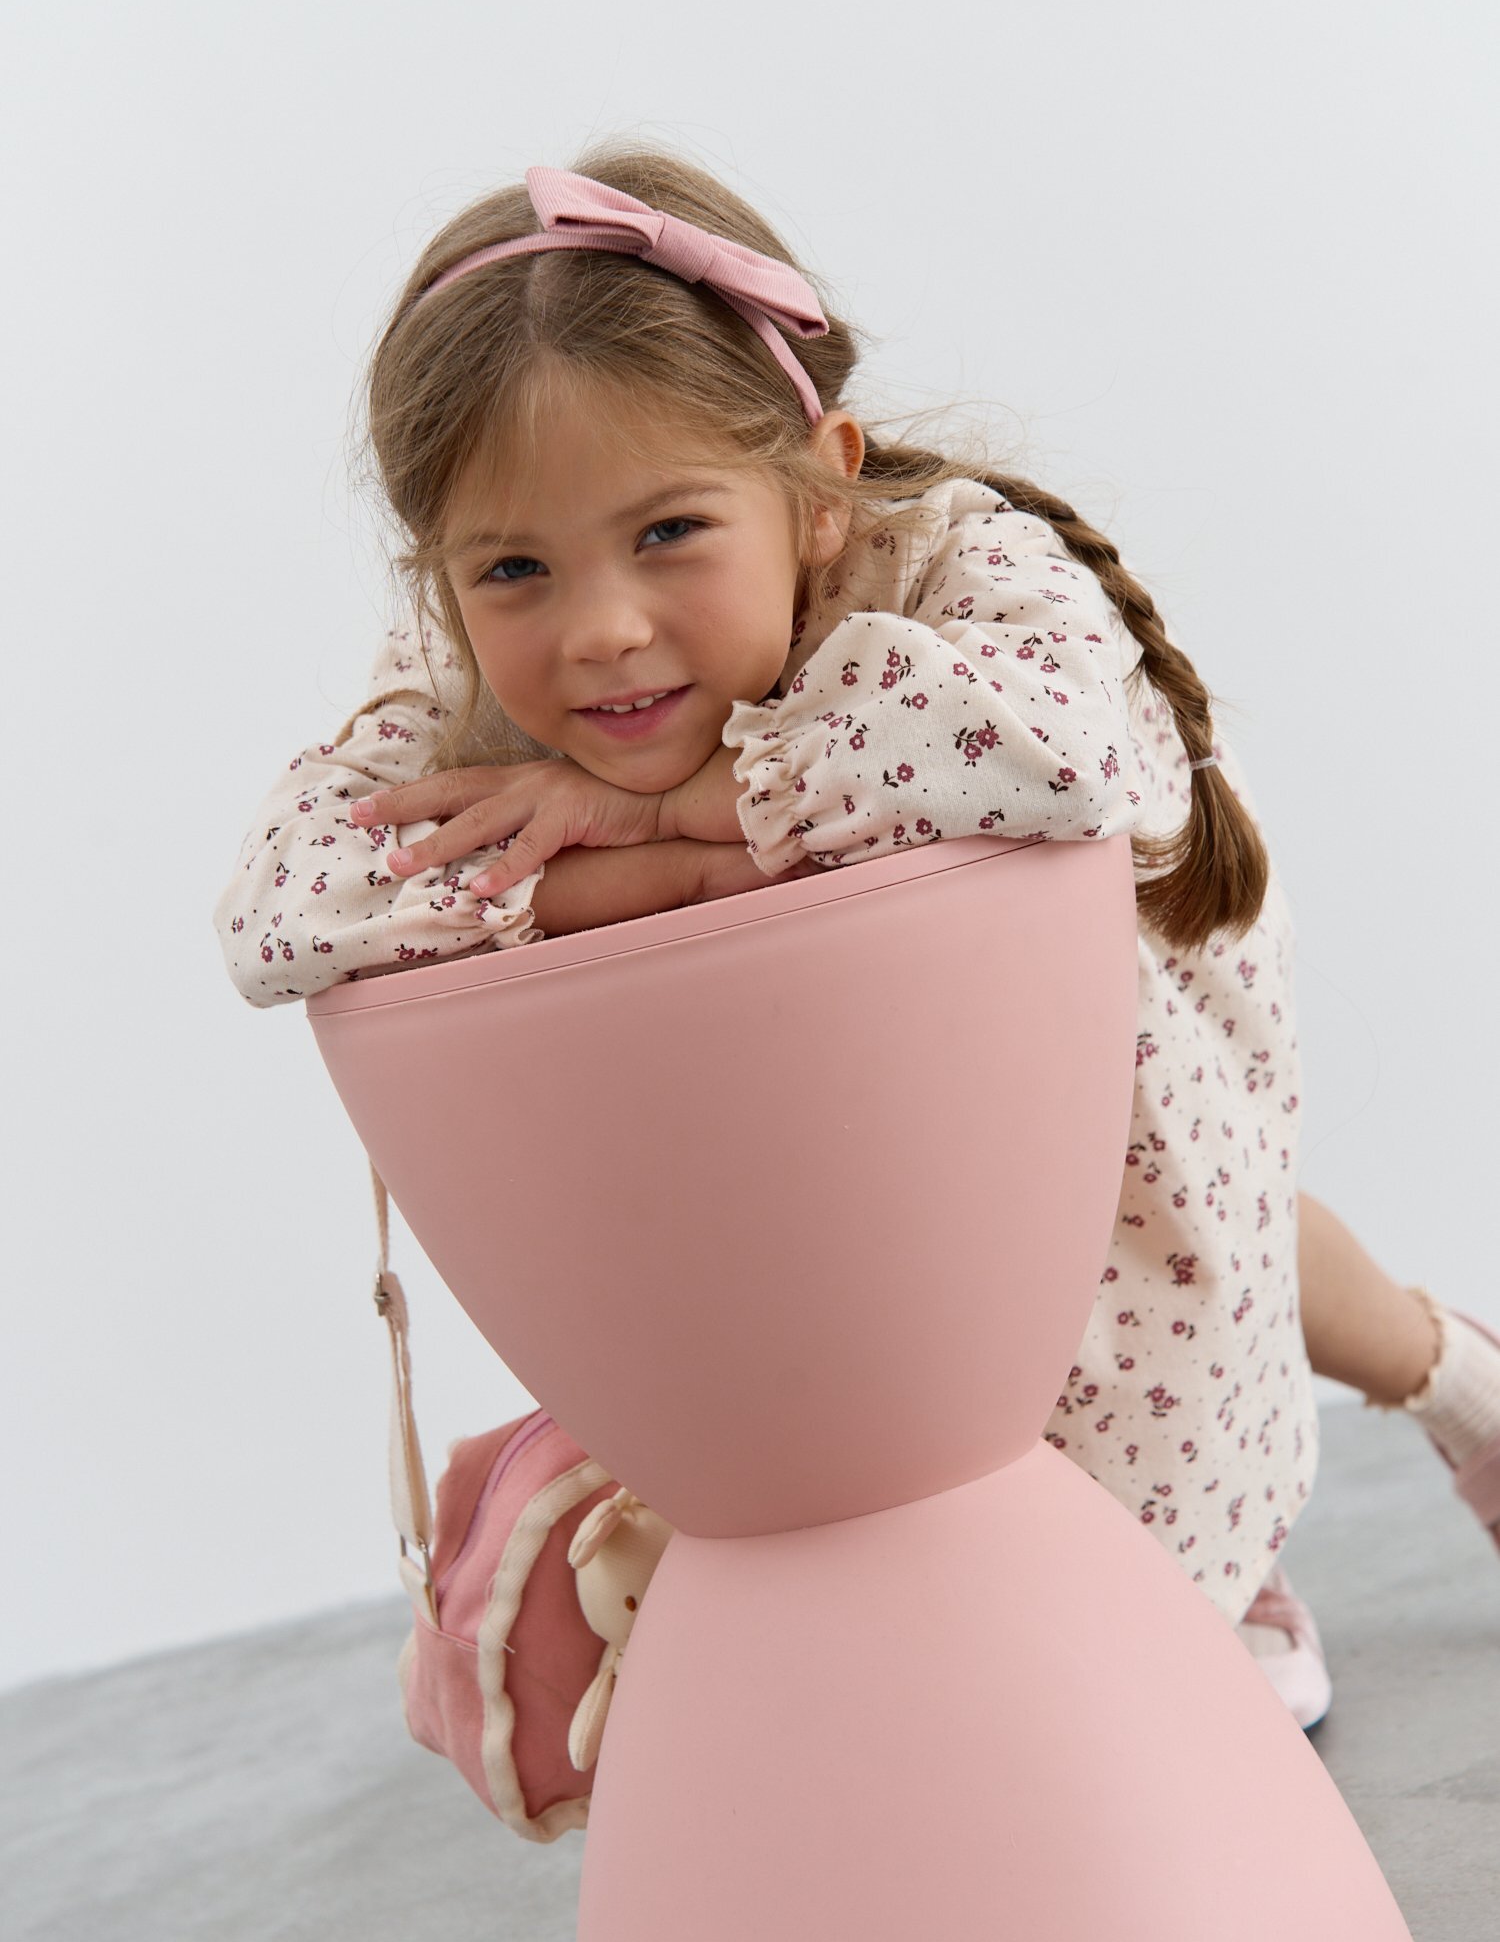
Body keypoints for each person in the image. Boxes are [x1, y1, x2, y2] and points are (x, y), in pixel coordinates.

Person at [212, 141, 1500, 1730]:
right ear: (444, 573)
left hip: (1095, 1063)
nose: (599, 627)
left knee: (1181, 1258)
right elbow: (281, 909)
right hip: (822, 1116)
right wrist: (632, 877)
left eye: (669, 532)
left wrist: (659, 817)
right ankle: (1457, 1389)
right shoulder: (455, 674)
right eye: (515, 569)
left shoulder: (952, 555)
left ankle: (1247, 1543)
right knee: (1033, 1311)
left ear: (818, 488)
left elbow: (1054, 749)